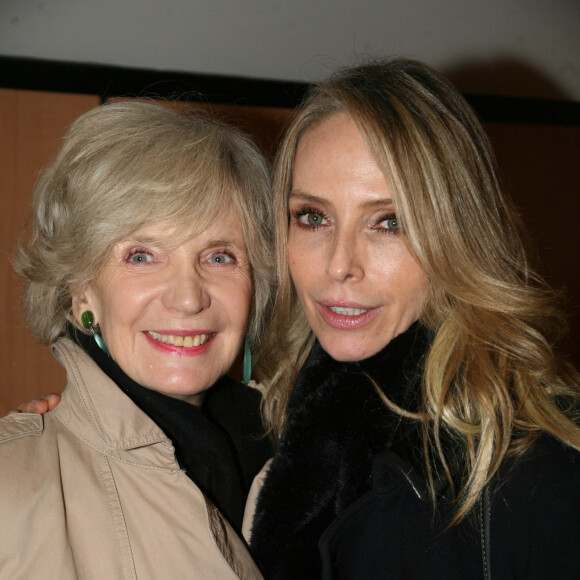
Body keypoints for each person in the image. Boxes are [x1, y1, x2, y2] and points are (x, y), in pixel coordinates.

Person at [246, 58, 580, 579]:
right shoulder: (277, 421)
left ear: (456, 233)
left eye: (389, 222)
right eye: (312, 217)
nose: (339, 264)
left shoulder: (543, 468)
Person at [0, 100, 273, 578]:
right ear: (82, 288)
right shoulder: (12, 486)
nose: (188, 298)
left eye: (220, 256)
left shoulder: (317, 467)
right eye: (142, 255)